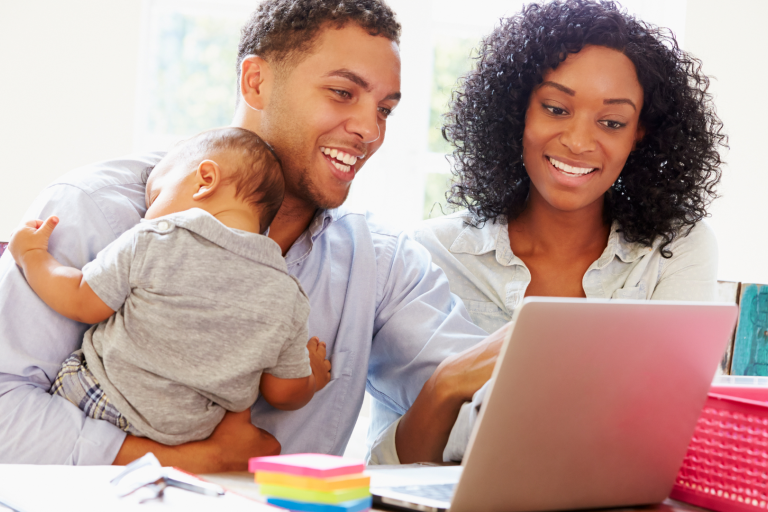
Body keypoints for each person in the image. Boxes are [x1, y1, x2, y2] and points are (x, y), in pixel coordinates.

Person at [0, 0, 502, 471]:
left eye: (385, 109)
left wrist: (457, 386)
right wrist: (190, 460)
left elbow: (480, 404)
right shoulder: (92, 210)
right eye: (342, 92)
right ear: (256, 82)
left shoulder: (383, 265)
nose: (370, 130)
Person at [411, 0, 726, 461]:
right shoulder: (434, 255)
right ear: (518, 110)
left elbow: (673, 437)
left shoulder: (675, 250)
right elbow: (397, 465)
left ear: (639, 134)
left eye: (612, 122)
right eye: (556, 109)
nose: (578, 142)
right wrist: (446, 385)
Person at [7, 127, 333, 445]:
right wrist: (314, 377)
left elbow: (82, 300)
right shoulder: (287, 296)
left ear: (205, 180)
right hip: (188, 436)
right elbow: (283, 393)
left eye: (156, 195)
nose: (148, 211)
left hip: (100, 399)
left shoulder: (159, 237)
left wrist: (33, 256)